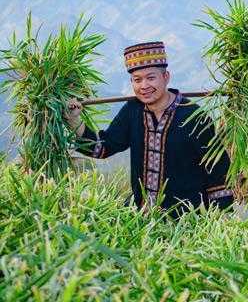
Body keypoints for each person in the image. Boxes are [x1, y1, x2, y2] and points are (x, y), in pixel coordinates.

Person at [64, 41, 233, 217]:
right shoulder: (132, 111)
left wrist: (221, 217)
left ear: (166, 77)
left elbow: (218, 170)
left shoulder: (194, 116)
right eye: (137, 80)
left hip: (189, 219)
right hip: (141, 216)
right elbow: (103, 148)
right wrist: (74, 121)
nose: (144, 86)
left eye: (151, 78)